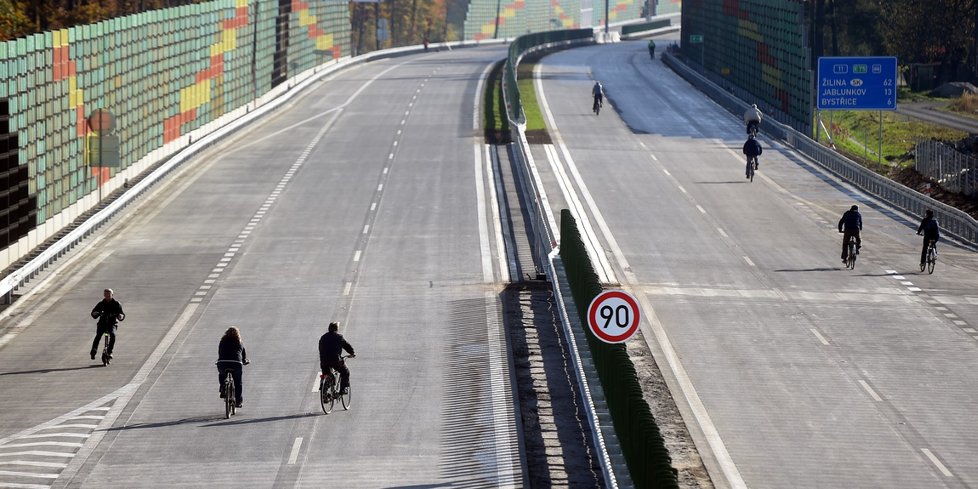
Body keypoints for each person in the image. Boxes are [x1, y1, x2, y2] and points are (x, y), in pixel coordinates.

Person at [319, 322, 356, 394]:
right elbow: (346, 346)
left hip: (324, 361)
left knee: (327, 374)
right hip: (336, 360)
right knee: (345, 372)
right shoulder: (339, 337)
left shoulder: (323, 337)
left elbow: (320, 349)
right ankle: (343, 389)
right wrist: (352, 353)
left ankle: (324, 390)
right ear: (337, 329)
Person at [217, 327, 248, 408]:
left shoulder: (222, 341)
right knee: (238, 383)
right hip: (236, 363)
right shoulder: (239, 342)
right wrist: (244, 360)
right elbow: (243, 354)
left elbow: (220, 352)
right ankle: (238, 402)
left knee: (221, 374)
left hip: (222, 362)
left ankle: (223, 386)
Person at [90, 288, 125, 361]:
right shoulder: (101, 303)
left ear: (112, 295)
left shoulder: (116, 304)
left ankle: (109, 351)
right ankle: (93, 351)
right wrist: (94, 313)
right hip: (102, 323)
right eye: (105, 295)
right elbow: (94, 312)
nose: (107, 296)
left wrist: (120, 316)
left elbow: (121, 313)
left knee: (113, 335)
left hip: (112, 324)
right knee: (98, 335)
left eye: (109, 295)